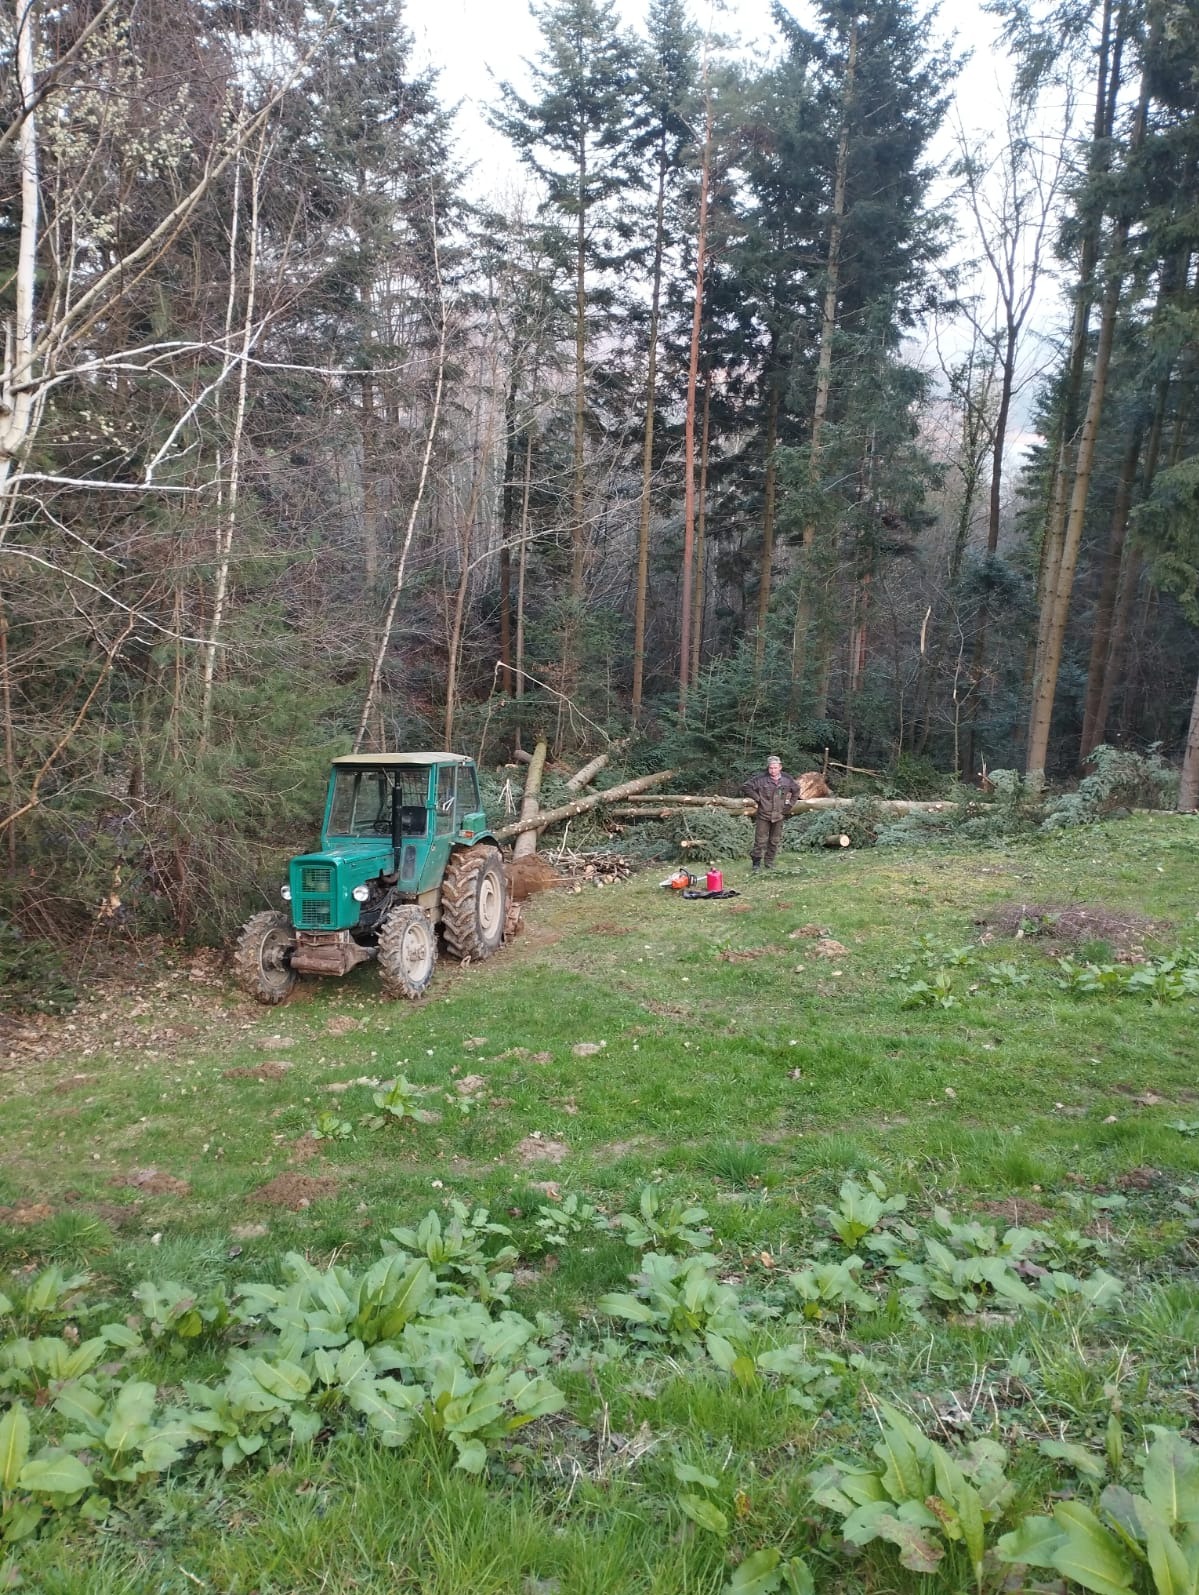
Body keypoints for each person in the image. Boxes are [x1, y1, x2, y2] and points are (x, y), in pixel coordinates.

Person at [742, 755, 800, 870]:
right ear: (768, 768)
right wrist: (758, 798)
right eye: (770, 768)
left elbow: (796, 790)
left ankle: (769, 862)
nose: (773, 770)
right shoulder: (761, 779)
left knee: (774, 840)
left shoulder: (787, 779)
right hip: (764, 814)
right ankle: (756, 864)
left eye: (775, 767)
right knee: (760, 841)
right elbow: (746, 786)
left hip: (779, 815)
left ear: (780, 767)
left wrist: (790, 805)